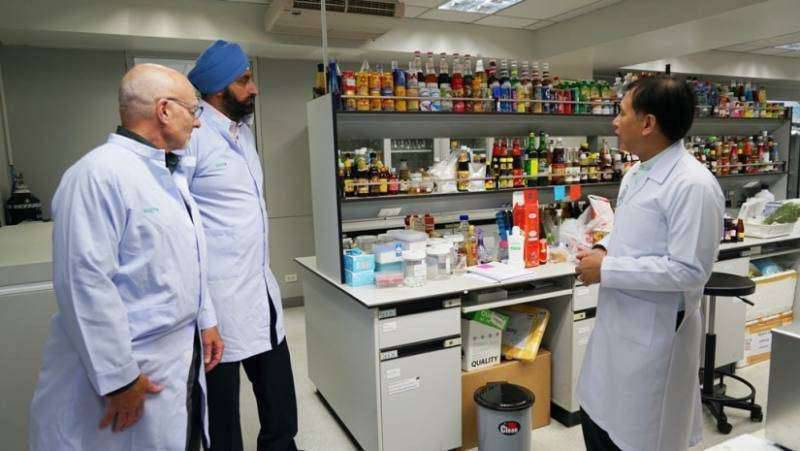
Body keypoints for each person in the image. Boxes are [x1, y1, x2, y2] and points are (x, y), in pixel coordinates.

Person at [28, 64, 224, 451]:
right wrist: (119, 379)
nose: (198, 122)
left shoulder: (169, 175)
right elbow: (84, 283)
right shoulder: (97, 175)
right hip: (129, 365)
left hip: (175, 353)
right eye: (193, 110)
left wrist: (207, 320)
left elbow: (186, 261)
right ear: (164, 110)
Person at [575, 76, 724, 451]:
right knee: (597, 420)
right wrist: (604, 249)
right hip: (616, 327)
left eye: (622, 112)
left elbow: (689, 271)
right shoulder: (636, 173)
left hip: (653, 337)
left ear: (648, 123)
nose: (614, 122)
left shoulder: (693, 185)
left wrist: (606, 270)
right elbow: (628, 231)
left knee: (637, 436)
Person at [184, 40, 299, 451]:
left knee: (280, 405)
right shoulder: (193, 138)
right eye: (244, 80)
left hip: (260, 292)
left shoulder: (243, 133)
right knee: (222, 418)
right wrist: (204, 315)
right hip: (219, 303)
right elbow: (182, 225)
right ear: (218, 88)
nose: (254, 89)